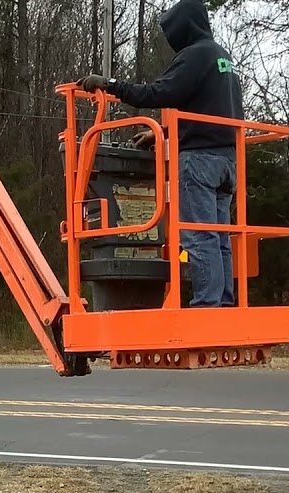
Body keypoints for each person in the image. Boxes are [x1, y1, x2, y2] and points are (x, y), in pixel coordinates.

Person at [78, 0, 243, 308]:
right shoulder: (222, 56)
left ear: (184, 27)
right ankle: (223, 303)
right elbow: (209, 107)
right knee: (220, 237)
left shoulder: (194, 55)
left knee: (197, 235)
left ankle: (207, 306)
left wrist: (110, 84)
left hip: (199, 161)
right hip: (228, 161)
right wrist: (162, 134)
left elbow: (159, 93)